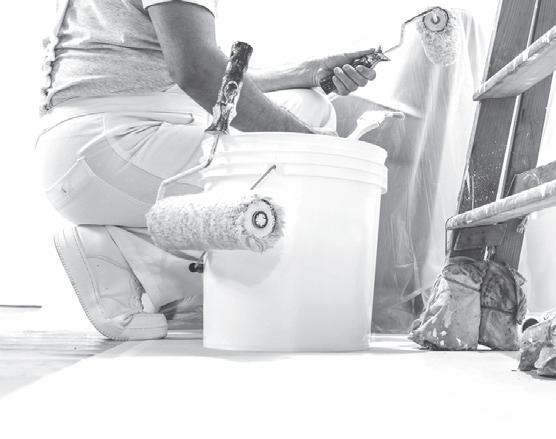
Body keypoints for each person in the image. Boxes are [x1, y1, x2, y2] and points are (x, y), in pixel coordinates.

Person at [37, 0, 376, 340]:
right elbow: (197, 71)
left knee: (307, 105)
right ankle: (129, 255)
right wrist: (309, 145)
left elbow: (205, 73)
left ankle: (147, 258)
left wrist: (304, 72)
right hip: (112, 144)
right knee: (300, 173)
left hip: (105, 138)